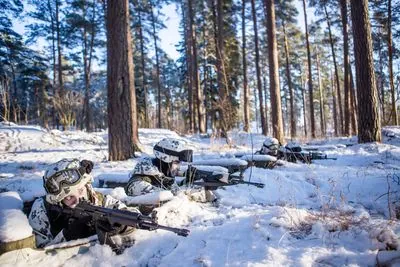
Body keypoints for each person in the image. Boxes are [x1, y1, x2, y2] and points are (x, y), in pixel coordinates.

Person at [29, 158, 136, 252]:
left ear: (87, 186)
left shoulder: (98, 199)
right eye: (69, 197)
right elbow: (39, 257)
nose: (78, 200)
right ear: (58, 201)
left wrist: (123, 226)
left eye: (80, 190)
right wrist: (67, 236)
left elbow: (133, 216)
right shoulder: (42, 210)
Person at [125, 138, 227, 202]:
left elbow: (178, 194)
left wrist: (191, 182)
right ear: (165, 161)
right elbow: (170, 200)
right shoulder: (138, 184)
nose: (178, 167)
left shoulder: (163, 177)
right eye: (176, 163)